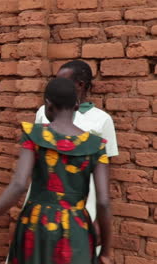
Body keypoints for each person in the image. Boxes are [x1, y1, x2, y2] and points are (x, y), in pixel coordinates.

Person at [0, 78, 112, 264]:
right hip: (76, 228)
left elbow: (19, 185)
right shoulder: (96, 145)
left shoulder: (35, 135)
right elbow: (103, 201)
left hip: (36, 224)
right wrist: (106, 252)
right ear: (77, 105)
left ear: (48, 105)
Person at [34, 60, 118, 244]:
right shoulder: (44, 112)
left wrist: (99, 221)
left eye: (63, 82)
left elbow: (105, 170)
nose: (56, 86)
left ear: (80, 85)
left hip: (82, 197)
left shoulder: (102, 120)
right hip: (45, 195)